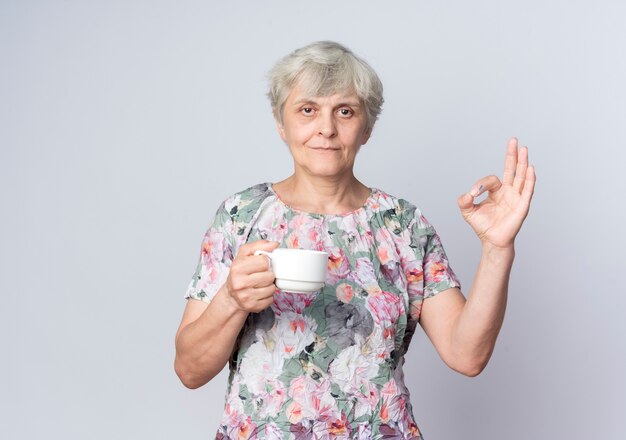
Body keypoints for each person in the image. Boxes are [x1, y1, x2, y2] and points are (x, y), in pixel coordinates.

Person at [174, 41, 535, 439]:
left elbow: (467, 355)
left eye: (344, 111)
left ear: (367, 128)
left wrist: (498, 248)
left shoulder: (402, 224)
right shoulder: (240, 216)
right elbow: (190, 371)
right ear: (282, 123)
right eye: (307, 110)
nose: (326, 128)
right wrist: (231, 299)